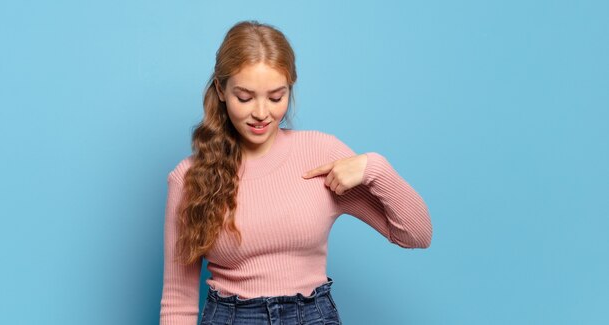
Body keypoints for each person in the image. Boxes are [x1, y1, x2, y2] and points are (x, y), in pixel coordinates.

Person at [159, 20, 433, 325]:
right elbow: (178, 300)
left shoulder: (320, 154)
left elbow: (416, 235)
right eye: (245, 97)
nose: (262, 113)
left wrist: (375, 167)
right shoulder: (189, 178)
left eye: (276, 97)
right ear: (221, 90)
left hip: (312, 316)